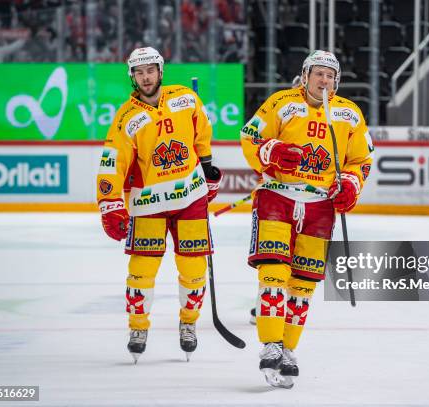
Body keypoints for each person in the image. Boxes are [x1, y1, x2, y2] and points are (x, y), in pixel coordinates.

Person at [240, 50, 374, 388]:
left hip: (320, 206)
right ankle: (270, 343)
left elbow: (361, 158)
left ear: (337, 80)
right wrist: (271, 151)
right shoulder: (281, 102)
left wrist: (351, 184)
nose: (324, 80)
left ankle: (287, 349)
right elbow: (250, 135)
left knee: (303, 284)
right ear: (305, 74)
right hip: (277, 195)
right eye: (318, 74)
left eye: (330, 76)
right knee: (274, 271)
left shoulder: (350, 114)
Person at [96, 46, 222, 363]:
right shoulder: (127, 117)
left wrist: (208, 172)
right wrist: (110, 204)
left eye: (150, 70)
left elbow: (202, 137)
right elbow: (113, 163)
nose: (146, 77)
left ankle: (188, 324)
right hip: (148, 203)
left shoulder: (186, 99)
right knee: (140, 273)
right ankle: (138, 328)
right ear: (132, 77)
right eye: (139, 72)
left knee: (193, 271)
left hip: (190, 198)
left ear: (160, 71)